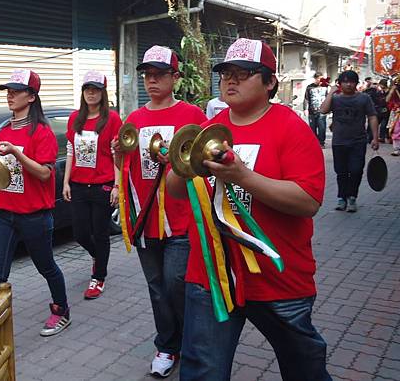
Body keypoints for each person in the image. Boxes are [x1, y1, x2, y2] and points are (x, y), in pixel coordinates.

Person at [166, 38, 331, 381]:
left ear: (270, 82)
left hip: (278, 277)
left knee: (305, 370)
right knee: (203, 372)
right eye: (226, 72)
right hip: (211, 273)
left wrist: (243, 176)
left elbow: (308, 201)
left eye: (244, 73)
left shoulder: (292, 128)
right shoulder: (208, 131)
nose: (231, 80)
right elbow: (174, 190)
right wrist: (183, 165)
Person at [112, 45, 207, 378]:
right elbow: (125, 162)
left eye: (159, 74)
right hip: (144, 217)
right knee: (156, 286)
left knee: (176, 282)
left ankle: (192, 340)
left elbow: (204, 164)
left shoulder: (192, 116)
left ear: (175, 77)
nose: (152, 81)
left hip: (182, 218)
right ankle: (167, 344)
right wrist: (116, 170)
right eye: (147, 75)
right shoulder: (135, 118)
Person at [0, 69, 70, 337]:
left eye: (16, 91)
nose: (10, 95)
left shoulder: (42, 132)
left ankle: (62, 310)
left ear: (31, 96)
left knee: (46, 267)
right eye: (7, 91)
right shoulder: (3, 131)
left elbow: (46, 173)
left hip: (34, 216)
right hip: (3, 215)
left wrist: (15, 153)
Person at [63, 70, 122, 299]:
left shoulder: (112, 119)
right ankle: (99, 258)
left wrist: (117, 186)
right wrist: (66, 181)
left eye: (96, 89)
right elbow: (70, 150)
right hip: (78, 185)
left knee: (100, 232)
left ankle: (99, 277)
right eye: (87, 89)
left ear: (102, 93)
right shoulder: (74, 118)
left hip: (102, 185)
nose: (91, 93)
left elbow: (117, 154)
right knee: (80, 233)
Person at [320, 70, 379, 212]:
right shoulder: (335, 99)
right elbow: (323, 110)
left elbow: (372, 116)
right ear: (339, 84)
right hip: (339, 141)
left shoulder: (364, 98)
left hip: (358, 141)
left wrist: (375, 138)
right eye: (345, 81)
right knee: (341, 172)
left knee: (356, 170)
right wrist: (330, 93)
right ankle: (342, 198)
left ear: (356, 83)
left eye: (351, 81)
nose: (348, 84)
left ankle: (352, 197)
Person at [304, 71, 329, 147]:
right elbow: (306, 98)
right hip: (312, 111)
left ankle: (321, 143)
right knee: (312, 128)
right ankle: (314, 142)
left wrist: (329, 108)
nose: (320, 80)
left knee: (322, 128)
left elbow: (328, 98)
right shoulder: (309, 87)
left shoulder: (325, 87)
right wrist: (305, 109)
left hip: (322, 111)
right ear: (315, 79)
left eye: (322, 79)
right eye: (318, 79)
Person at [386, 78, 400, 156]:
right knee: (395, 130)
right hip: (396, 113)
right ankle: (396, 149)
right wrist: (392, 90)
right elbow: (387, 100)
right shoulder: (393, 90)